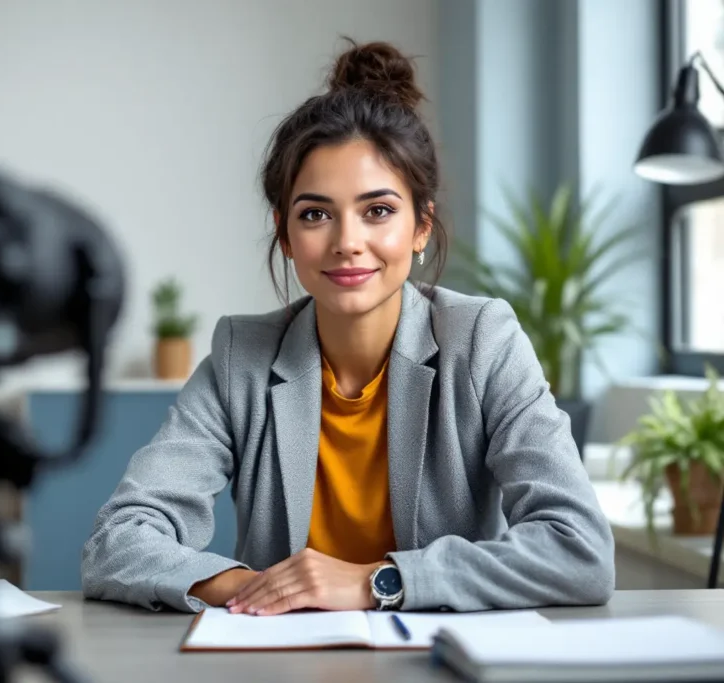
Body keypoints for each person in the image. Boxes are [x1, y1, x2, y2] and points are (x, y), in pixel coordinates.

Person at [81, 38, 615, 616]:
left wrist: (376, 583)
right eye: (315, 215)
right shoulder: (243, 356)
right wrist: (260, 591)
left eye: (378, 211)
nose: (347, 243)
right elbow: (118, 541)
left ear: (421, 226)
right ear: (285, 235)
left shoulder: (483, 341)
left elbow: (578, 549)